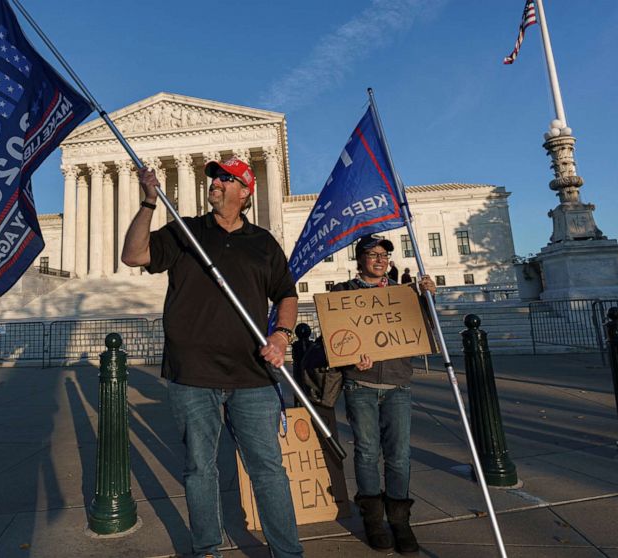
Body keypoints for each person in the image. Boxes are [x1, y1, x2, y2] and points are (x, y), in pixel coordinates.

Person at [121, 156, 303, 558]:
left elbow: (287, 294)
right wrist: (149, 202)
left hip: (252, 374)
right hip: (192, 374)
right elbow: (134, 257)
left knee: (268, 470)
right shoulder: (184, 231)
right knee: (200, 469)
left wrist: (281, 334)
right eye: (214, 179)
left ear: (245, 191)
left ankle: (287, 552)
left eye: (225, 178)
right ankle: (207, 548)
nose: (216, 184)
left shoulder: (263, 243)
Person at [330, 235, 436, 554]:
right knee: (365, 452)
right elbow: (335, 340)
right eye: (372, 254)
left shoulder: (403, 293)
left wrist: (428, 298)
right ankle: (374, 521)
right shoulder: (342, 293)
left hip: (398, 385)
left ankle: (400, 522)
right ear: (359, 258)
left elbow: (424, 330)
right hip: (360, 385)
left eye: (384, 255)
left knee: (399, 455)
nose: (379, 259)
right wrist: (352, 357)